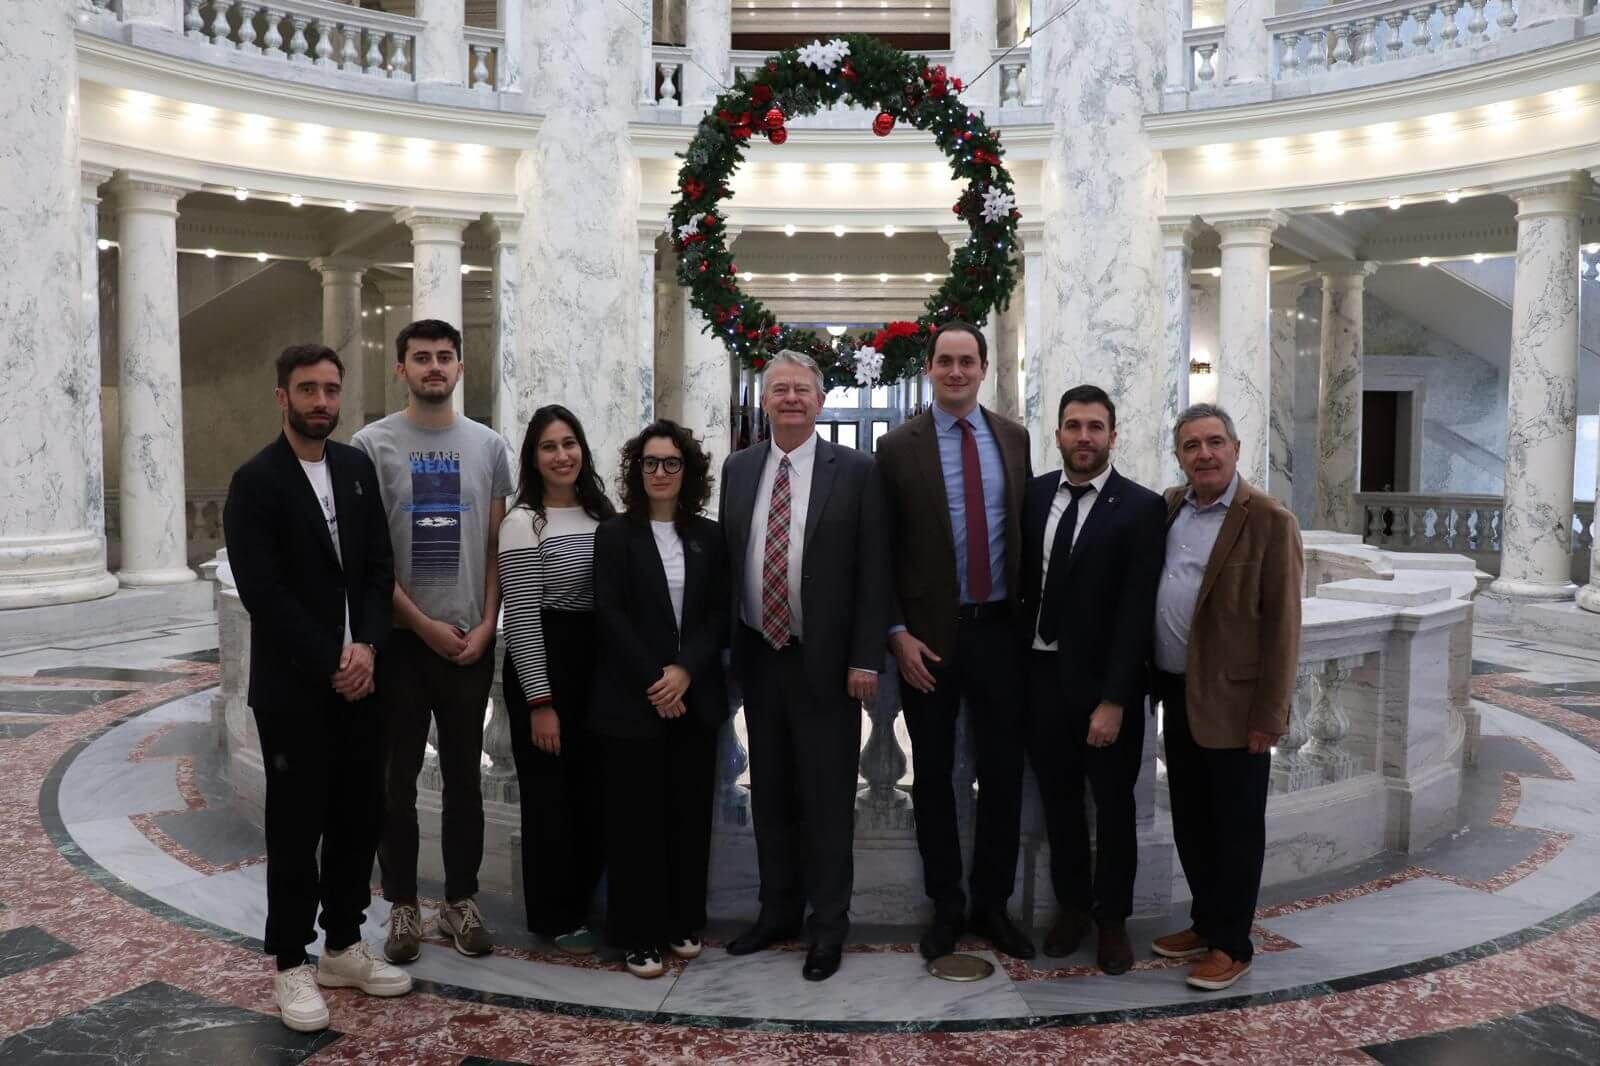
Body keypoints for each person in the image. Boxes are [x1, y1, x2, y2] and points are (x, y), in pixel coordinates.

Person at [223, 343, 410, 1033]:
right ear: (283, 397)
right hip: (296, 688)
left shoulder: (356, 468)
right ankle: (291, 964)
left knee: (360, 818)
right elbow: (263, 593)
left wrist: (366, 646)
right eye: (308, 390)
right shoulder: (257, 482)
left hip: (362, 679)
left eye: (331, 389)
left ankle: (342, 945)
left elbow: (374, 567)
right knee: (297, 828)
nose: (322, 402)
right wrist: (334, 655)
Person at [719, 350, 891, 982]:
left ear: (819, 403)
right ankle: (777, 913)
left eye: (801, 391)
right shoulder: (737, 470)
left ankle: (829, 927)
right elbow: (729, 560)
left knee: (825, 803)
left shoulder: (857, 471)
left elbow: (875, 571)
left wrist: (865, 659)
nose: (790, 399)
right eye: (779, 390)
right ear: (764, 402)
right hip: (761, 660)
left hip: (828, 665)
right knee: (770, 797)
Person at [353, 319, 515, 963]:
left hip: (469, 643)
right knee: (396, 781)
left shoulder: (489, 446)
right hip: (401, 643)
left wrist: (485, 624)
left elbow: (497, 548)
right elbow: (369, 558)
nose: (434, 368)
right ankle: (401, 907)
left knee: (463, 782)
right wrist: (421, 625)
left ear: (460, 368)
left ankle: (459, 902)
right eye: (421, 358)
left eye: (445, 357)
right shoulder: (370, 445)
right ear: (401, 369)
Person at [875, 321, 1036, 961]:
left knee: (1001, 775)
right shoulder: (897, 447)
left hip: (1001, 633)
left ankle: (992, 904)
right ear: (930, 369)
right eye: (945, 361)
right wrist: (895, 633)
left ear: (985, 367)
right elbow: (881, 552)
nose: (956, 371)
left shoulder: (1015, 440)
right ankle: (946, 904)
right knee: (934, 776)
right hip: (928, 644)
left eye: (967, 361)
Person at [1150, 402, 1304, 991]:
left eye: (1215, 442)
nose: (1205, 454)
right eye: (1192, 445)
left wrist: (1271, 713)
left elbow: (1284, 627)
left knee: (1236, 826)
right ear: (1180, 456)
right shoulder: (1170, 509)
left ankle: (1233, 943)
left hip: (1236, 703)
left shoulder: (1267, 519)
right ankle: (1205, 920)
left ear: (1236, 449)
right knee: (1190, 817)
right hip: (1175, 691)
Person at [1019, 385, 1166, 974]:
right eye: (1074, 426)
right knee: (1059, 804)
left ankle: (1112, 921)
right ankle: (1073, 909)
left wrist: (1114, 700)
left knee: (1113, 806)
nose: (1084, 437)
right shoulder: (1032, 498)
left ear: (1112, 435)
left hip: (1106, 687)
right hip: (1039, 678)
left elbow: (1137, 612)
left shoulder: (1140, 506)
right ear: (1057, 434)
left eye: (1095, 427)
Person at [590, 421, 731, 979]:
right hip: (632, 701)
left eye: (672, 463)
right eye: (651, 462)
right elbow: (610, 613)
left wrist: (684, 672)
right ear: (636, 470)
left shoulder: (709, 536)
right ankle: (637, 934)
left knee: (688, 817)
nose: (660, 472)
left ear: (688, 471)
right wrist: (657, 678)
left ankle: (681, 921)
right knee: (635, 824)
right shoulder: (616, 534)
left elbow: (717, 614)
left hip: (693, 699)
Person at [498, 405, 617, 953]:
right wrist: (540, 701)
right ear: (533, 458)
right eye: (549, 446)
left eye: (570, 443)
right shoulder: (524, 522)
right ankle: (553, 914)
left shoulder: (603, 515)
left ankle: (585, 899)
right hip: (546, 667)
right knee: (550, 802)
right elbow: (521, 617)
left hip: (597, 670)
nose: (562, 455)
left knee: (594, 795)